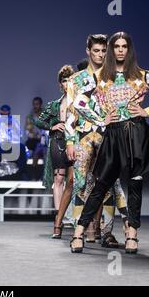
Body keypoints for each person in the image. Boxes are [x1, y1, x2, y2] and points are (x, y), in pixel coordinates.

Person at [70, 32, 149, 253]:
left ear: (129, 49)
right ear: (111, 49)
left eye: (123, 46)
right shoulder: (100, 77)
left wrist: (148, 111)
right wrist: (100, 120)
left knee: (136, 182)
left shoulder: (141, 75)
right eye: (116, 46)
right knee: (102, 184)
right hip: (113, 133)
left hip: (136, 132)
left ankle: (132, 234)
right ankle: (79, 231)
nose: (119, 49)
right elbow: (79, 102)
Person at [64, 34, 128, 246]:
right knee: (80, 183)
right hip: (82, 136)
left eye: (103, 51)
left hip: (109, 136)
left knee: (109, 183)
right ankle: (78, 232)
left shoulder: (114, 77)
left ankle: (107, 232)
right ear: (88, 51)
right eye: (96, 51)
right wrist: (69, 142)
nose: (100, 55)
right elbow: (71, 113)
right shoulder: (76, 80)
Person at [35, 65, 74, 238]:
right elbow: (38, 122)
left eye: (70, 80)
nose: (67, 83)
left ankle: (78, 217)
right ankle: (60, 217)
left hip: (76, 142)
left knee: (75, 180)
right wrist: (52, 126)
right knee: (59, 178)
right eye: (64, 81)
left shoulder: (82, 103)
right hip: (58, 141)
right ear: (60, 84)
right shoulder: (54, 105)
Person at [0, 104, 26, 180]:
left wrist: (12, 127)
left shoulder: (14, 121)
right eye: (2, 114)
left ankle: (22, 173)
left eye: (6, 114)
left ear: (9, 113)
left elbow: (20, 134)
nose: (4, 116)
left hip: (11, 144)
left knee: (21, 147)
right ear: (0, 113)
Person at [25, 97, 48, 180]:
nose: (35, 106)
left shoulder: (45, 115)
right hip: (34, 141)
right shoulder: (30, 117)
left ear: (40, 105)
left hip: (45, 140)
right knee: (35, 146)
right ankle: (34, 176)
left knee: (42, 147)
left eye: (37, 104)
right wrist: (36, 135)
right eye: (34, 104)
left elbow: (47, 129)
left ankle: (40, 176)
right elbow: (28, 132)